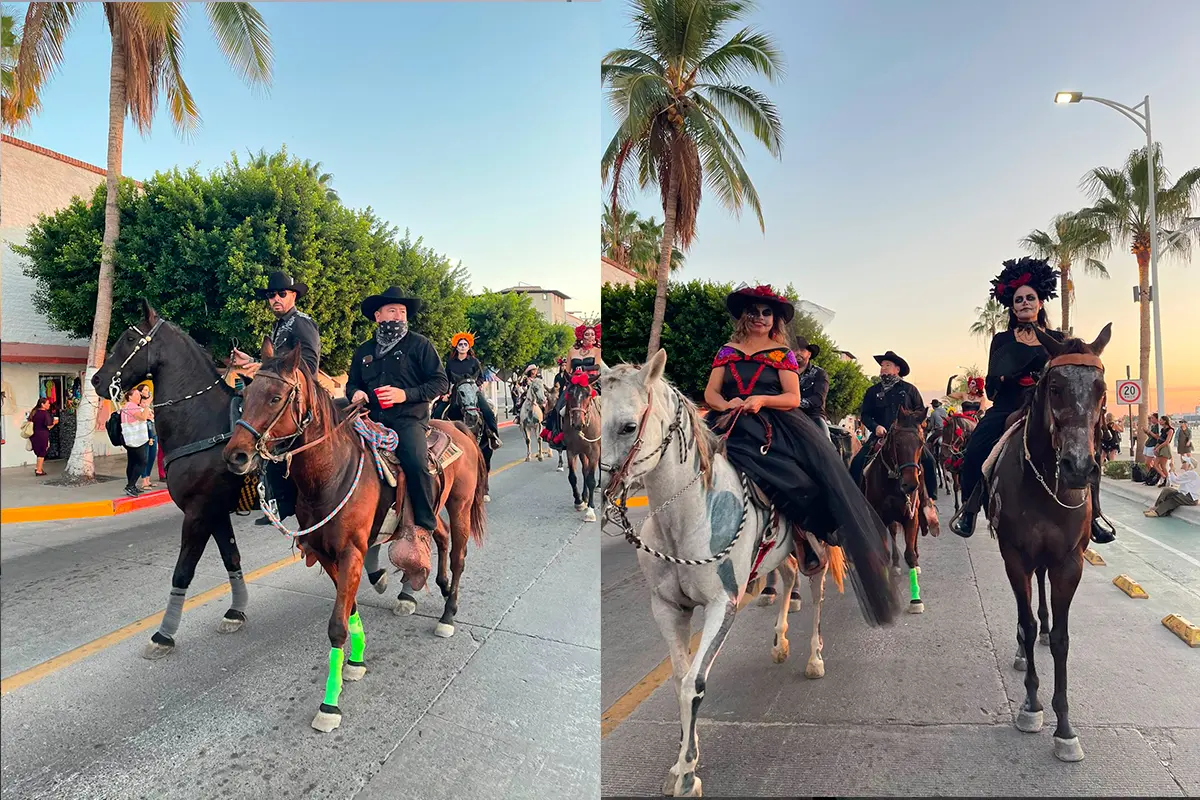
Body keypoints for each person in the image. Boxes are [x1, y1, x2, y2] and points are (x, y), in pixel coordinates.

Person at [704, 284, 878, 575]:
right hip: (727, 419)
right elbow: (710, 393)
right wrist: (725, 403)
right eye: (753, 311)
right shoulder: (726, 352)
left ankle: (804, 534)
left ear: (775, 320)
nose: (759, 317)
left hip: (772, 423)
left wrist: (761, 399)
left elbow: (792, 398)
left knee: (797, 476)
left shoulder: (782, 354)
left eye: (766, 313)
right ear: (743, 316)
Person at [949, 257, 1115, 543]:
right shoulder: (1001, 340)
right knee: (977, 447)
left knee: (1089, 447)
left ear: (1040, 302)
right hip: (1009, 406)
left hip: (1049, 407)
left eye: (1030, 298)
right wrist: (1005, 378)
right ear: (1012, 306)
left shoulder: (1058, 338)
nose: (1025, 302)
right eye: (1019, 299)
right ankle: (970, 509)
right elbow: (991, 388)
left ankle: (1095, 514)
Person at [344, 286, 449, 589]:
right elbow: (351, 383)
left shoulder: (420, 345)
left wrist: (405, 394)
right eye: (392, 311)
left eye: (402, 312)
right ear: (378, 316)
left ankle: (424, 526)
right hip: (370, 420)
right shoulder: (364, 351)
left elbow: (439, 381)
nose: (398, 316)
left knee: (416, 462)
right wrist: (356, 392)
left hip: (408, 419)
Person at [230, 271, 323, 525]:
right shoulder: (280, 325)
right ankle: (277, 501)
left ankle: (287, 502)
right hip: (282, 390)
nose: (276, 299)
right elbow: (275, 366)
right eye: (271, 295)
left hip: (298, 398)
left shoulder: (301, 323)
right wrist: (250, 361)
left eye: (282, 294)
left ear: (293, 295)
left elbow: (309, 366)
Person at [761, 333, 829, 607]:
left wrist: (790, 401)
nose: (798, 353)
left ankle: (832, 491)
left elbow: (817, 400)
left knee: (826, 447)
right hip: (783, 419)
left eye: (802, 350)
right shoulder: (779, 369)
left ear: (809, 354)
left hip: (811, 419)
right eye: (795, 349)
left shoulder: (819, 374)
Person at [848, 349, 940, 527]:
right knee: (858, 462)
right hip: (881, 437)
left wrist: (914, 427)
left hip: (906, 439)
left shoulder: (910, 390)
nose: (883, 369)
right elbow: (866, 415)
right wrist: (876, 427)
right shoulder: (872, 391)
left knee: (929, 461)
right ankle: (855, 504)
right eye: (882, 366)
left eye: (887, 366)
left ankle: (930, 502)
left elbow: (921, 413)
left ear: (897, 369)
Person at [439, 331, 502, 449]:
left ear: (469, 347)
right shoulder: (450, 363)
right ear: (456, 347)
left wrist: (476, 385)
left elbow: (481, 377)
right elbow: (446, 379)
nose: (463, 346)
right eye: (460, 344)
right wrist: (446, 393)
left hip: (473, 391)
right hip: (456, 391)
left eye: (465, 344)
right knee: (438, 411)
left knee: (488, 411)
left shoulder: (474, 361)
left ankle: (493, 436)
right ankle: (435, 436)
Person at [120, 385, 153, 497]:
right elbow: (143, 417)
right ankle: (130, 486)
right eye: (137, 395)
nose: (139, 397)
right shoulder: (132, 406)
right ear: (130, 397)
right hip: (137, 439)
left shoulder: (126, 406)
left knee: (132, 462)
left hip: (129, 439)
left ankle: (132, 485)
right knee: (142, 462)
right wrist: (147, 405)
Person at [26, 397, 57, 476]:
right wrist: (55, 423)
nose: (49, 405)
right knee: (42, 452)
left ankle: (38, 467)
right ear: (43, 404)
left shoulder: (34, 412)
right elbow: (49, 426)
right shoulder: (45, 413)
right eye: (48, 403)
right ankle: (39, 470)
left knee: (38, 451)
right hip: (42, 434)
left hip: (34, 434)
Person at [138, 385, 159, 490]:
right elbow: (142, 416)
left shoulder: (148, 404)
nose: (147, 391)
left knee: (152, 456)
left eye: (148, 389)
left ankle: (148, 479)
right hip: (145, 432)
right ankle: (143, 480)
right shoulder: (139, 403)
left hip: (153, 430)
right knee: (145, 457)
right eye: (145, 390)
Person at [1153, 416, 1175, 485]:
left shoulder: (1170, 430)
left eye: (1161, 420)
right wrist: (1156, 447)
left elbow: (1166, 442)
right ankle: (1166, 478)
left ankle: (1166, 478)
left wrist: (1158, 448)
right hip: (1160, 447)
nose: (1159, 421)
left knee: (1161, 465)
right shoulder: (1163, 430)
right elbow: (1160, 440)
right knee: (1158, 465)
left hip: (1165, 448)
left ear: (1165, 421)